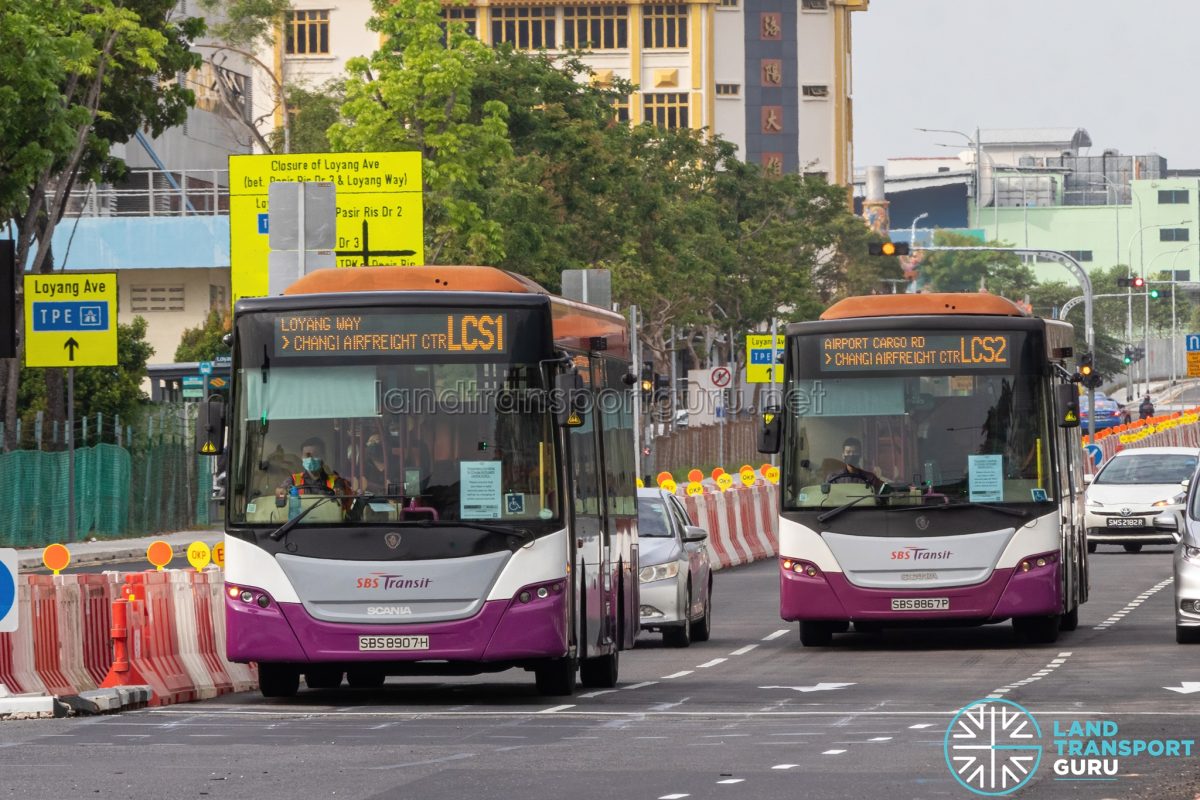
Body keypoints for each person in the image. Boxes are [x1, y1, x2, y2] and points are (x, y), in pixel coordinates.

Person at [276, 436, 352, 509]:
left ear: (324, 457)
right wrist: (281, 492)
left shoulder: (336, 481)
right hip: (299, 521)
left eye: (315, 455)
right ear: (302, 458)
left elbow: (342, 497)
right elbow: (282, 491)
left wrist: (340, 493)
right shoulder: (293, 480)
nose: (310, 459)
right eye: (307, 455)